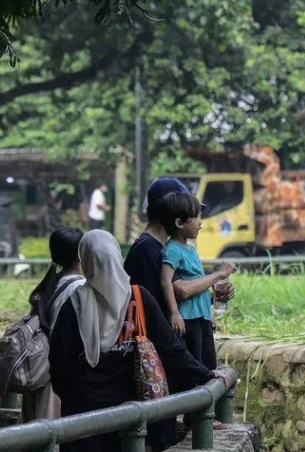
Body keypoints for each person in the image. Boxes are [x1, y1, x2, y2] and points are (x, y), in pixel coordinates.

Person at [48, 230, 231, 452]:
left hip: (83, 420)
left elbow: (58, 366)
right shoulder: (138, 298)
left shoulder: (74, 304)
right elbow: (170, 347)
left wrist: (76, 399)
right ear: (117, 257)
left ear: (84, 260)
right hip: (133, 418)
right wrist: (206, 374)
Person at [123, 178, 237, 323]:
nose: (198, 222)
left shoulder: (162, 247)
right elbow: (182, 290)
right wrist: (218, 275)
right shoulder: (150, 248)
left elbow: (173, 298)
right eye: (190, 214)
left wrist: (211, 297)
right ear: (173, 212)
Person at [159, 192, 235, 379]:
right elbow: (165, 280)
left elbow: (196, 281)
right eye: (195, 218)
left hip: (201, 316)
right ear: (179, 223)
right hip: (188, 319)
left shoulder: (191, 249)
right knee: (196, 361)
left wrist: (210, 310)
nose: (200, 223)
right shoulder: (172, 250)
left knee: (209, 358)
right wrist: (175, 312)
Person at [20, 226, 86, 422]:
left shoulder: (51, 284)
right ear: (81, 254)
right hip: (62, 375)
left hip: (44, 369)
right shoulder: (79, 288)